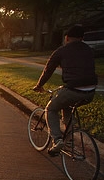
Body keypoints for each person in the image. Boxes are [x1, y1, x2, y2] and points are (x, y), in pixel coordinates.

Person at [33, 25, 98, 156]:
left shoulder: (61, 51)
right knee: (66, 105)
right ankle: (69, 140)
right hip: (90, 92)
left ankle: (57, 140)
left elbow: (48, 70)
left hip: (73, 89)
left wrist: (39, 85)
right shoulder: (89, 50)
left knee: (51, 109)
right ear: (82, 38)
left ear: (67, 38)